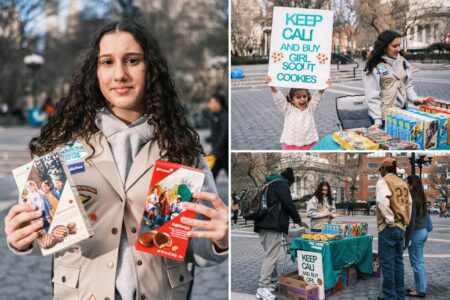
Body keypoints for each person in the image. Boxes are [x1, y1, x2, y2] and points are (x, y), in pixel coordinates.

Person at [4, 20, 228, 300]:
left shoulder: (180, 150)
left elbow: (201, 252)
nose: (119, 74)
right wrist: (21, 238)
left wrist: (220, 240)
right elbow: (45, 239)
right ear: (95, 72)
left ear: (151, 69)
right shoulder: (64, 147)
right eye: (107, 62)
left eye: (132, 60)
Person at [254, 167, 308, 300]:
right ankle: (262, 288)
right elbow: (288, 204)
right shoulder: (281, 184)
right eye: (291, 184)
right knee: (271, 256)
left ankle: (271, 282)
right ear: (289, 180)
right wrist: (299, 220)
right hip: (272, 225)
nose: (290, 186)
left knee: (269, 255)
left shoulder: (268, 183)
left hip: (262, 224)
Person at [363, 30, 435, 128]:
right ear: (384, 47)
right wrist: (377, 120)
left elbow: (407, 86)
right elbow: (372, 96)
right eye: (394, 46)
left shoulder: (403, 62)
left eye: (399, 45)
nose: (398, 49)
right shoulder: (374, 66)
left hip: (402, 115)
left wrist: (416, 99)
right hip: (383, 118)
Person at [376, 157, 412, 300]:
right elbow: (409, 204)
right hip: (401, 226)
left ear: (384, 169)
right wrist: (405, 222)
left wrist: (390, 221)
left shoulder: (383, 181)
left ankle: (390, 296)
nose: (380, 173)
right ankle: (400, 294)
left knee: (387, 263)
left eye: (381, 170)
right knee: (398, 262)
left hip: (388, 227)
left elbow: (382, 202)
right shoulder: (403, 183)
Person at [265, 76, 331, 150]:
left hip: (309, 145)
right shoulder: (288, 109)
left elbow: (317, 97)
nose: (302, 99)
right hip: (291, 146)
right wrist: (272, 87)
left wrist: (324, 86)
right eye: (298, 97)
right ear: (292, 100)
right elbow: (279, 99)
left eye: (304, 96)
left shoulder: (310, 108)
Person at [405, 175, 429, 298]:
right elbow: (427, 217)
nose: (406, 185)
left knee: (416, 263)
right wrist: (427, 229)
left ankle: (420, 290)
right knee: (419, 262)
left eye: (407, 183)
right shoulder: (422, 197)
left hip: (416, 233)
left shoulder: (412, 198)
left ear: (412, 185)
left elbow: (412, 221)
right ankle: (421, 286)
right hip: (423, 231)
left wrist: (406, 240)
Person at [206, 93, 228, 179]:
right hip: (217, 154)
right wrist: (209, 139)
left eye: (211, 102)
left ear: (218, 103)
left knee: (210, 176)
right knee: (210, 176)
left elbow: (224, 134)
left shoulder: (224, 116)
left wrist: (215, 149)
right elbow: (217, 133)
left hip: (224, 154)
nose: (209, 105)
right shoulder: (216, 116)